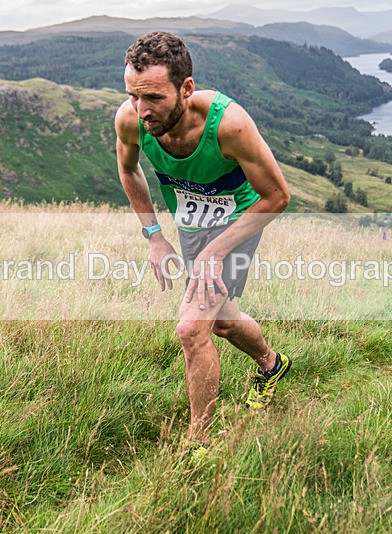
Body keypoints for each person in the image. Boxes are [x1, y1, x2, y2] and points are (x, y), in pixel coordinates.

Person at [114, 32, 292, 462]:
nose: (142, 111)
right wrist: (154, 236)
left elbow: (277, 197)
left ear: (186, 88)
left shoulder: (229, 126)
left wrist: (216, 251)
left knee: (192, 328)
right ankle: (272, 365)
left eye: (153, 97)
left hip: (240, 220)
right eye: (133, 96)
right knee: (224, 320)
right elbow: (128, 170)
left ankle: (198, 445)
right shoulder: (131, 119)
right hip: (192, 223)